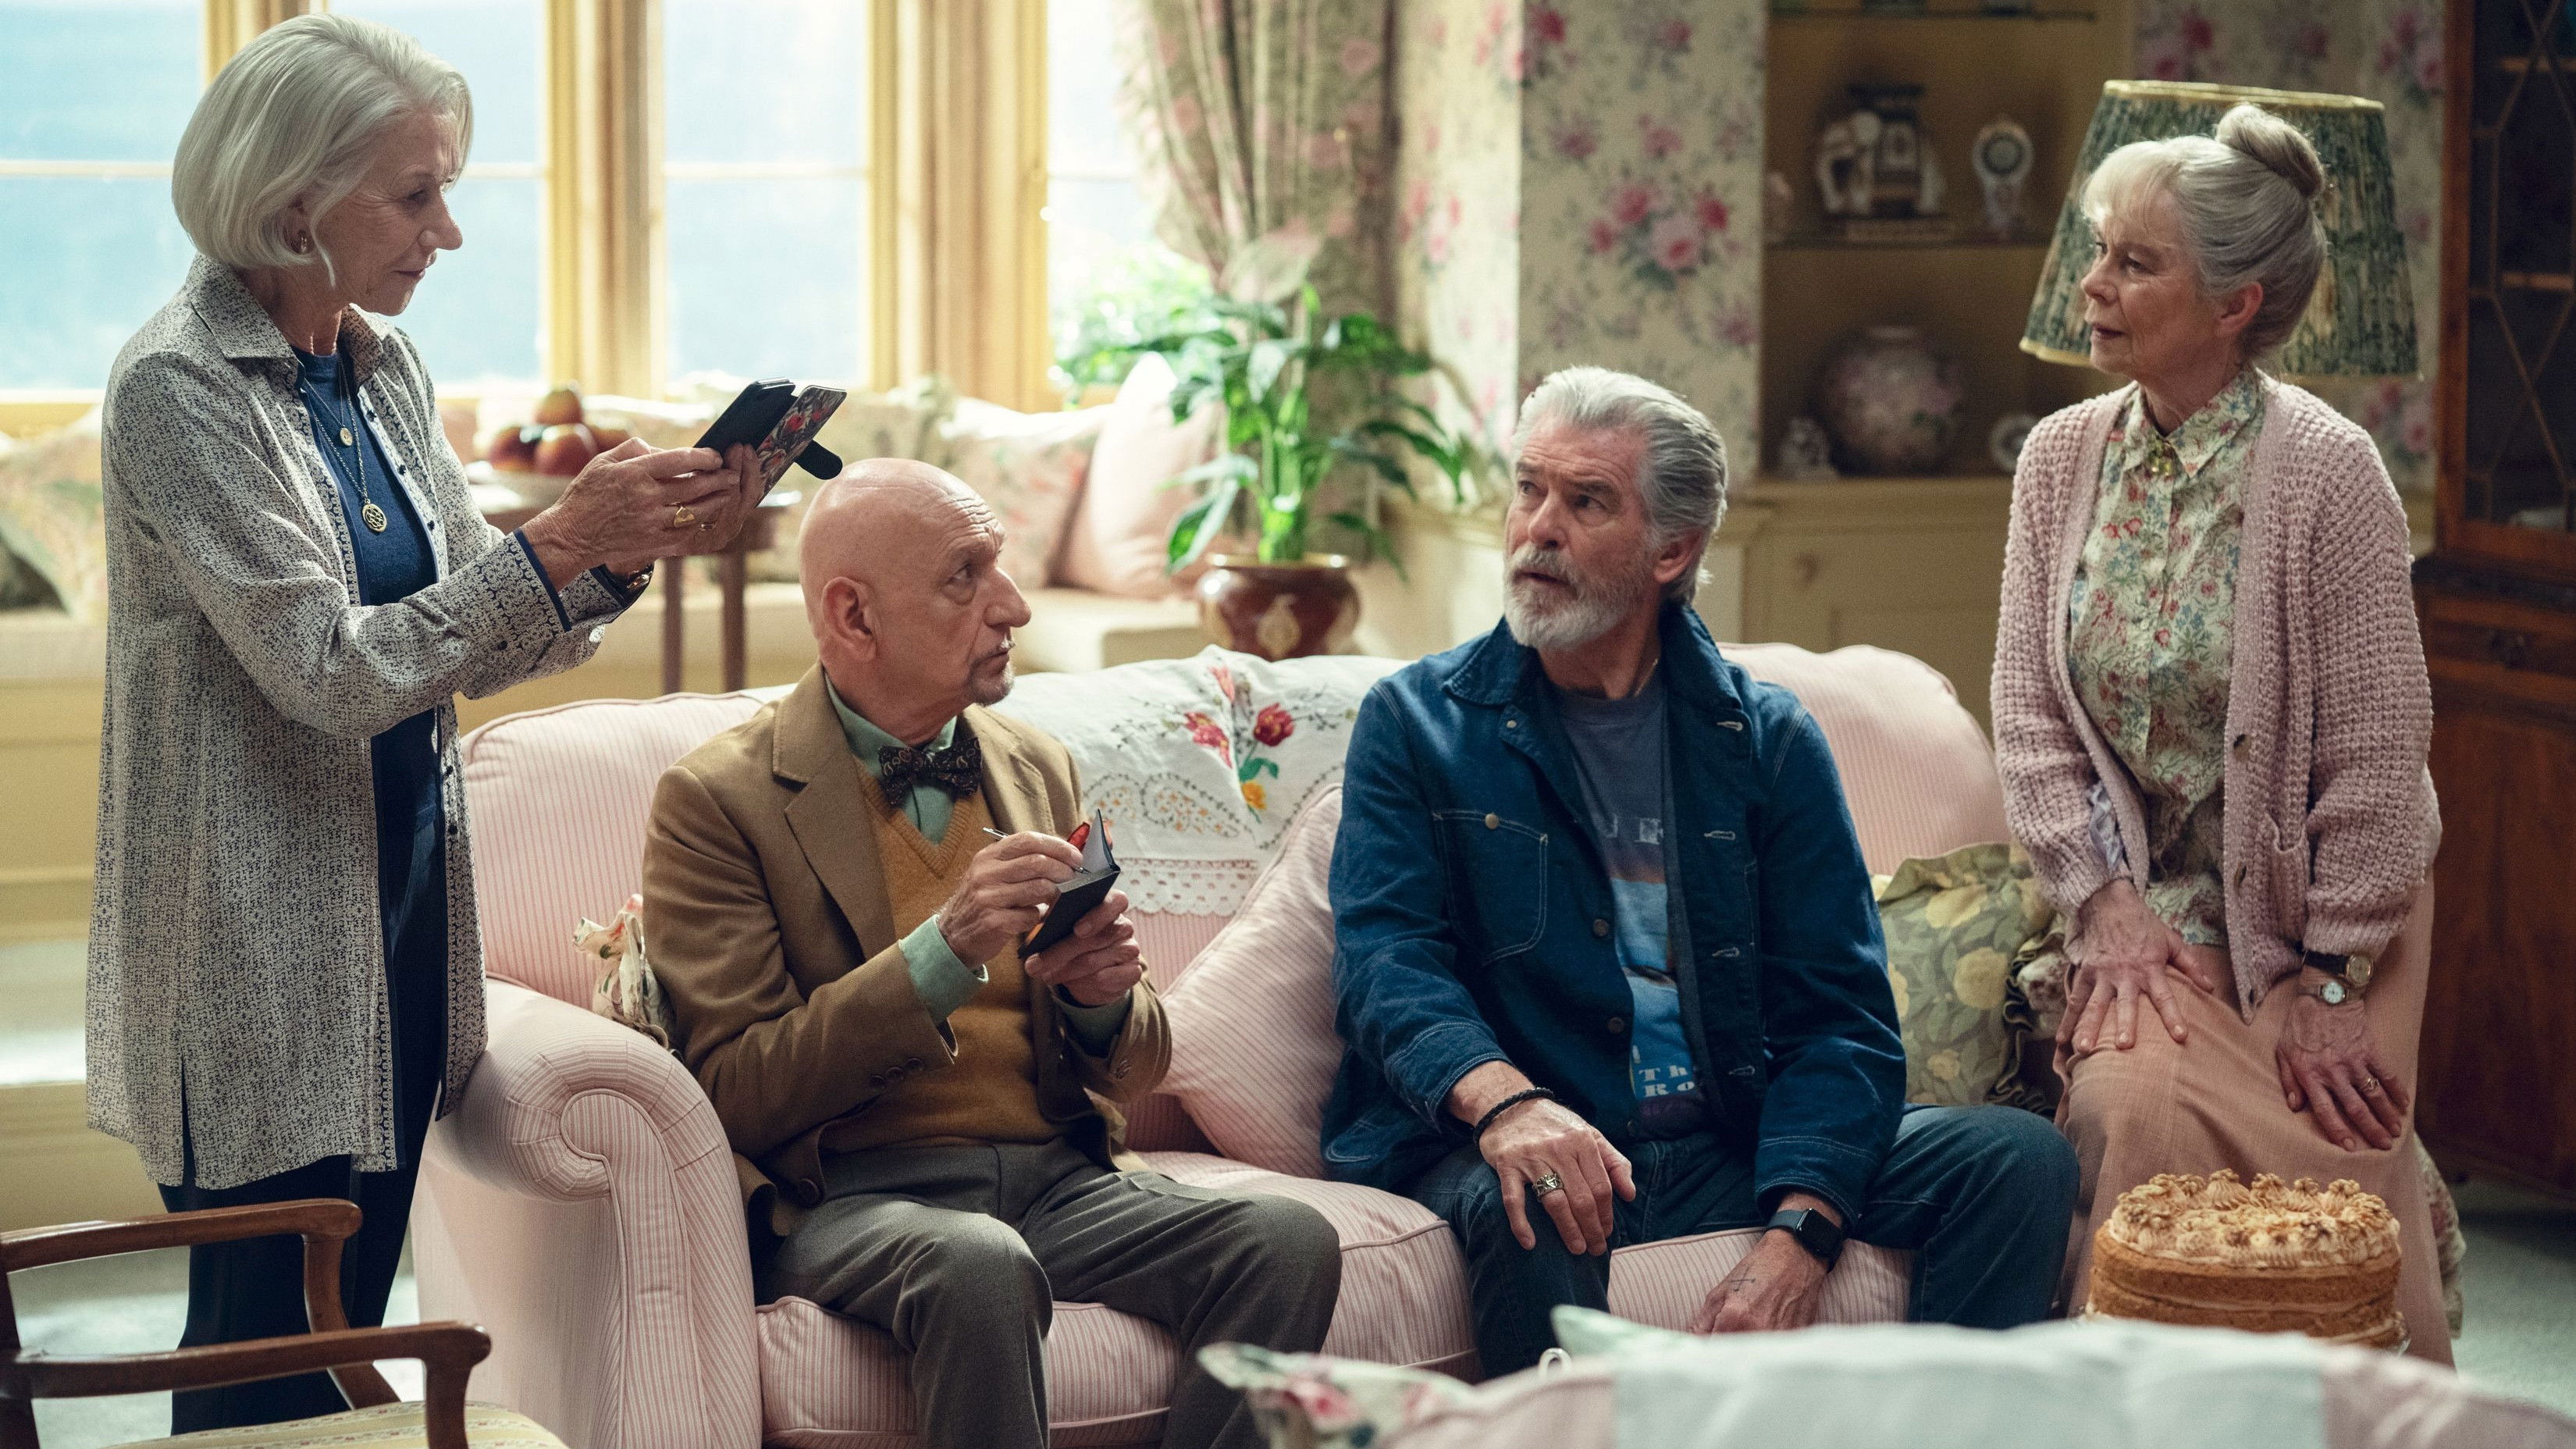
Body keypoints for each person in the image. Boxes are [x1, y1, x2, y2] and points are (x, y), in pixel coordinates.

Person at [85, 15, 762, 1433]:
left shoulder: (381, 367)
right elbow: (332, 673)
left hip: (395, 923)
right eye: (414, 195)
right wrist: (559, 539)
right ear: (293, 204)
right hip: (249, 951)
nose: (447, 232)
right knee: (260, 1354)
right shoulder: (176, 389)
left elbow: (480, 634)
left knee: (344, 1334)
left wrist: (618, 551)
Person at [1327, 366, 2079, 1375]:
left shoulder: (1766, 741)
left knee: (2017, 1157)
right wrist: (1509, 1106)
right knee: (1538, 1192)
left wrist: (1800, 1233)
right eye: (1529, 489)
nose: (1538, 528)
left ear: (1672, 549)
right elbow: (1386, 960)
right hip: (1520, 1133)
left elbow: (1839, 1017)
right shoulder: (1417, 722)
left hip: (1723, 1137)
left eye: (1586, 501)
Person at [642, 460, 1341, 1449]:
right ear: (854, 615)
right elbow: (738, 1091)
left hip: (1058, 1176)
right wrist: (944, 948)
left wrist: (1103, 998)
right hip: (858, 1193)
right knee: (978, 1261)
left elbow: (1138, 1058)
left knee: (1286, 1239)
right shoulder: (717, 799)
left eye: (998, 565)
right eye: (964, 575)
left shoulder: (1034, 761)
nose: (1012, 604)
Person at [1990, 104, 2448, 1360]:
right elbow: (2029, 717)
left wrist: (2332, 980)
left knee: (2341, 1157)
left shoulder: (2331, 474)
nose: (2092, 284)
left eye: (2136, 263)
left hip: (2325, 917)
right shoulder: (2058, 460)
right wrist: (2103, 905)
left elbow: (2381, 754)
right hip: (2143, 915)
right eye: (2100, 250)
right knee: (2132, 1110)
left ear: (2236, 305)